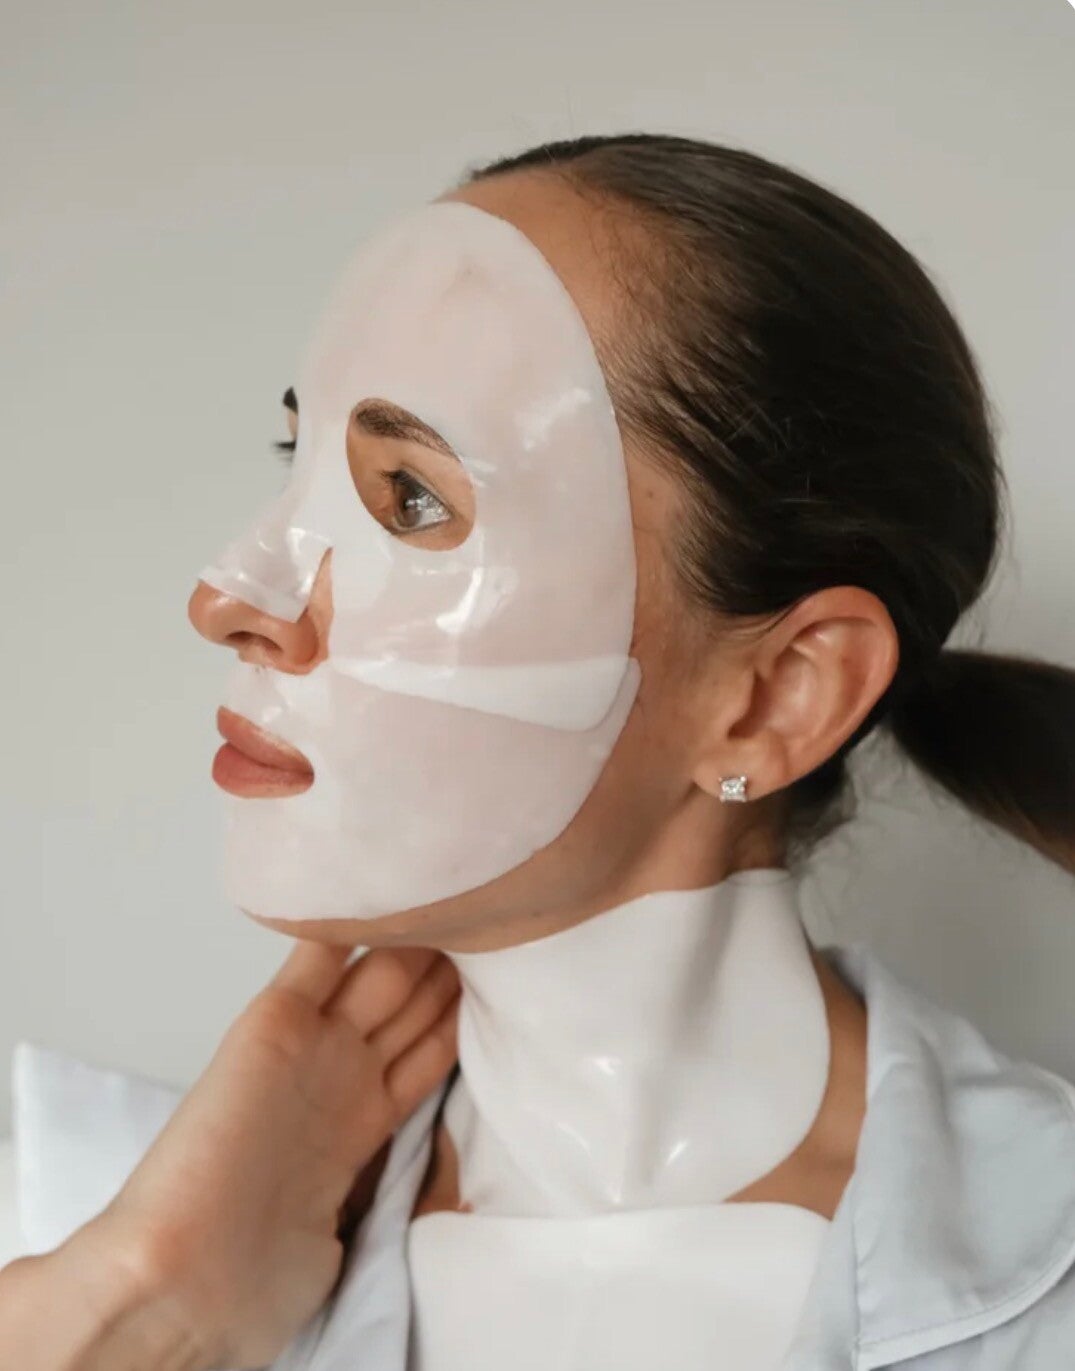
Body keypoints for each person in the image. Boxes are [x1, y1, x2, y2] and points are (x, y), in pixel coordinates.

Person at [4, 132, 1074, 1370]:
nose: (229, 598)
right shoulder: (78, 1227)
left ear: (777, 696)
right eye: (300, 461)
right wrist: (136, 1304)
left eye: (411, 499)